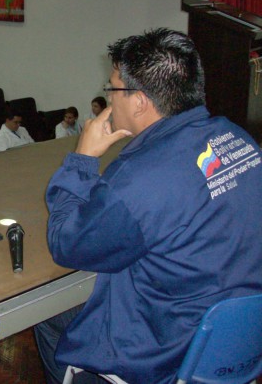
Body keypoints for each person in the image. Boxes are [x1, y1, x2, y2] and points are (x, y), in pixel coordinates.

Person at [34, 28, 262, 383]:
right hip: (233, 337)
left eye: (112, 89)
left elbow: (65, 242)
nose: (108, 99)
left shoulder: (141, 177)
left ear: (139, 100)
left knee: (47, 315)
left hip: (164, 351)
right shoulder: (239, 139)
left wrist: (82, 159)